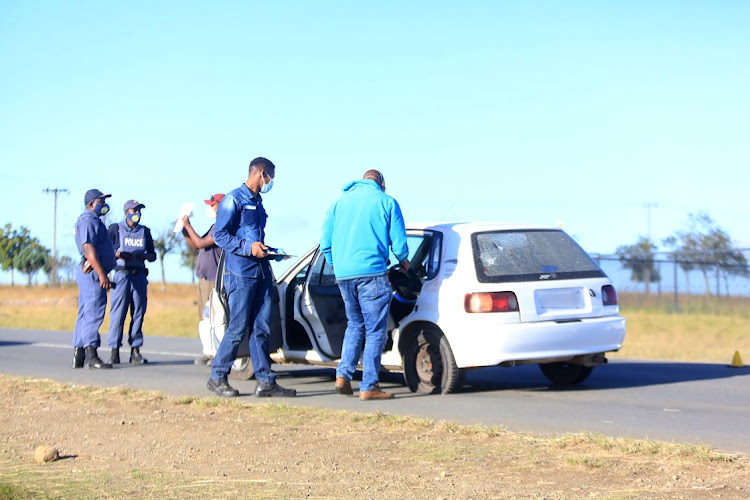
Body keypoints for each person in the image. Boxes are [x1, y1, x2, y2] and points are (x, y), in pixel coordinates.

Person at [206, 157, 296, 398]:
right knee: (238, 327)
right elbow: (221, 237)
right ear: (262, 173)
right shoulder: (232, 199)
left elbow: (254, 237)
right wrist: (249, 248)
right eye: (271, 178)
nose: (271, 182)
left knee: (262, 327)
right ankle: (217, 376)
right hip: (240, 274)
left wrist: (266, 251)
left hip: (261, 271)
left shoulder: (258, 201)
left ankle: (265, 381)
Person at [320, 170, 410, 400]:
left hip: (344, 275)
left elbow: (325, 244)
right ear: (382, 183)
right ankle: (369, 386)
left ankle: (343, 376)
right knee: (375, 330)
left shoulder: (338, 204)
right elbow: (398, 242)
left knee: (355, 325)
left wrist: (338, 264)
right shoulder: (386, 201)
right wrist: (405, 263)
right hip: (372, 273)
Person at [106, 200, 156, 365]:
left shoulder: (145, 231)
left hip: (139, 274)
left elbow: (153, 255)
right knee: (118, 313)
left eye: (139, 211)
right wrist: (118, 255)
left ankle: (135, 350)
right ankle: (114, 351)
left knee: (138, 313)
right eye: (134, 211)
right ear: (126, 212)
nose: (137, 214)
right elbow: (106, 252)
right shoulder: (115, 229)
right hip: (121, 274)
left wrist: (145, 256)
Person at [73, 189, 117, 369]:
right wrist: (101, 274)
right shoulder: (88, 221)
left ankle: (79, 354)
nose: (104, 205)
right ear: (92, 204)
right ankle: (92, 354)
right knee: (93, 312)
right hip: (92, 272)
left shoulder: (92, 220)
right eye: (101, 202)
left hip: (89, 271)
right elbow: (88, 248)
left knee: (84, 312)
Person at [181, 193, 225, 365]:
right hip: (204, 279)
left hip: (214, 279)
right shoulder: (214, 226)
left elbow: (200, 243)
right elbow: (195, 245)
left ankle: (216, 355)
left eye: (213, 205)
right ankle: (209, 353)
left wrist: (188, 225)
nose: (210, 208)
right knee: (205, 319)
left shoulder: (223, 226)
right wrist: (183, 228)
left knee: (214, 318)